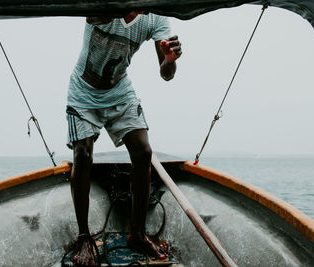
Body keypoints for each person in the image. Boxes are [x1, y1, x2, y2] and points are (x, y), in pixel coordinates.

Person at [66, 11, 182, 266]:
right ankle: (84, 237)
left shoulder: (156, 18)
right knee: (83, 154)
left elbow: (166, 74)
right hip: (84, 91)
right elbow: (94, 16)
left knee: (143, 152)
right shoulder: (106, 6)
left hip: (119, 90)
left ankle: (137, 235)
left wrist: (170, 59)